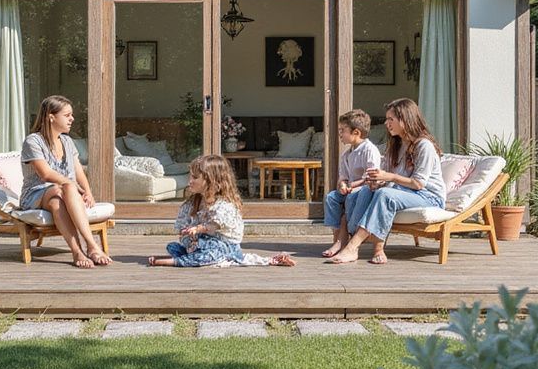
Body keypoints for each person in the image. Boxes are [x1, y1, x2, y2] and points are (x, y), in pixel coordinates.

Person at [327, 98, 445, 265]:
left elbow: (418, 184)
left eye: (391, 119)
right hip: (404, 192)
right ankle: (352, 240)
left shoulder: (424, 146)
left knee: (385, 195)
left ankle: (353, 247)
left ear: (406, 119)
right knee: (365, 191)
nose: (386, 123)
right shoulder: (396, 145)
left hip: (429, 197)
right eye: (386, 119)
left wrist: (389, 178)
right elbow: (387, 177)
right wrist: (377, 181)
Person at [148, 154, 295, 267]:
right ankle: (187, 258)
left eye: (195, 177)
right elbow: (183, 228)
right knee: (173, 246)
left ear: (212, 181)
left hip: (225, 247)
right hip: (200, 245)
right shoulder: (193, 203)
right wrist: (188, 237)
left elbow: (215, 225)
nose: (190, 181)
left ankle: (174, 262)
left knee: (213, 250)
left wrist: (199, 229)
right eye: (190, 176)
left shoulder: (224, 205)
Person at [20, 94, 112, 269]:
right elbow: (45, 174)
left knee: (56, 204)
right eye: (67, 115)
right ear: (51, 117)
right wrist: (72, 185)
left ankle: (77, 252)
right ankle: (92, 246)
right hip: (35, 194)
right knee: (65, 186)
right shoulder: (33, 141)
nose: (72, 119)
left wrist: (88, 192)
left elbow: (78, 171)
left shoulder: (67, 141)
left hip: (60, 193)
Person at [322, 109, 382, 258]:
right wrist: (342, 184)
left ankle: (346, 237)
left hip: (363, 190)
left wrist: (352, 186)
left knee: (351, 197)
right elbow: (343, 176)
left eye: (343, 130)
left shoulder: (370, 150)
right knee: (331, 198)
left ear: (356, 132)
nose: (340, 134)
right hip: (349, 189)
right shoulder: (346, 154)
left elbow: (371, 177)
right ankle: (337, 238)